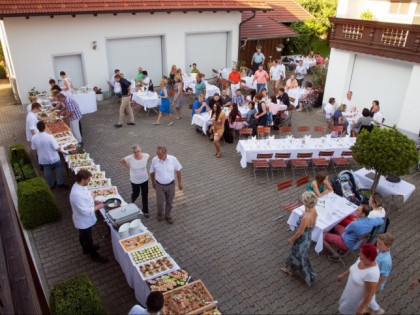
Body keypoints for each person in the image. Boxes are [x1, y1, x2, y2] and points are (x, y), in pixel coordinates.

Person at [70, 170, 108, 263]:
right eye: (88, 179)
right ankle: (95, 256)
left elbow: (86, 199)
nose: (89, 181)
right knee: (87, 238)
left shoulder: (81, 186)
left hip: (86, 220)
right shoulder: (76, 194)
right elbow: (84, 211)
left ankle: (86, 249)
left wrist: (94, 202)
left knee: (84, 236)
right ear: (83, 179)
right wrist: (98, 207)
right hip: (83, 221)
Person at [281, 191, 318, 286]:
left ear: (305, 202)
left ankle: (307, 276)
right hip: (308, 237)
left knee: (299, 256)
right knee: (297, 254)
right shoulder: (313, 210)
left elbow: (300, 232)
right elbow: (314, 225)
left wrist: (291, 239)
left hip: (302, 239)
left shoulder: (306, 216)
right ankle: (290, 269)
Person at [337, 243, 380, 315]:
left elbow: (370, 293)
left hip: (356, 300)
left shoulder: (372, 274)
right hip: (349, 294)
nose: (358, 254)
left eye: (361, 253)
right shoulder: (361, 259)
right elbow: (353, 268)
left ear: (368, 258)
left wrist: (362, 308)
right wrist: (343, 275)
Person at [150, 146, 183, 224]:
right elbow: (152, 172)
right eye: (157, 154)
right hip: (159, 185)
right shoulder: (155, 160)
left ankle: (167, 215)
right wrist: (153, 182)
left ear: (165, 153)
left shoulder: (173, 159)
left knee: (169, 202)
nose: (158, 156)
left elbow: (178, 170)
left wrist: (180, 183)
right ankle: (159, 214)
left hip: (171, 185)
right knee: (160, 203)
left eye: (160, 154)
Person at [31, 121, 67, 189]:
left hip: (43, 158)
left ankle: (51, 185)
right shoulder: (50, 137)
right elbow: (56, 148)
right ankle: (60, 183)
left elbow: (34, 148)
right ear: (45, 127)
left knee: (47, 171)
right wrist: (61, 147)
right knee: (58, 168)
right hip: (54, 158)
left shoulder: (34, 138)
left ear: (37, 128)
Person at [367, 233, 394, 315]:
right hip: (370, 277)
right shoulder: (380, 249)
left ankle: (376, 310)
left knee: (369, 297)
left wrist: (375, 288)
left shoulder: (386, 261)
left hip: (375, 282)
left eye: (380, 244)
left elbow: (384, 276)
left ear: (387, 246)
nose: (377, 245)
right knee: (367, 297)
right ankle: (370, 309)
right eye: (377, 242)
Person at [120, 145, 150, 218]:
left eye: (138, 151)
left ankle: (145, 211)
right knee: (136, 193)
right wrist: (127, 167)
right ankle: (132, 202)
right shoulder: (129, 158)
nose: (137, 153)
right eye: (135, 152)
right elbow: (121, 161)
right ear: (133, 152)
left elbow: (148, 157)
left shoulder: (146, 156)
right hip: (134, 180)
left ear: (141, 151)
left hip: (144, 179)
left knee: (145, 195)